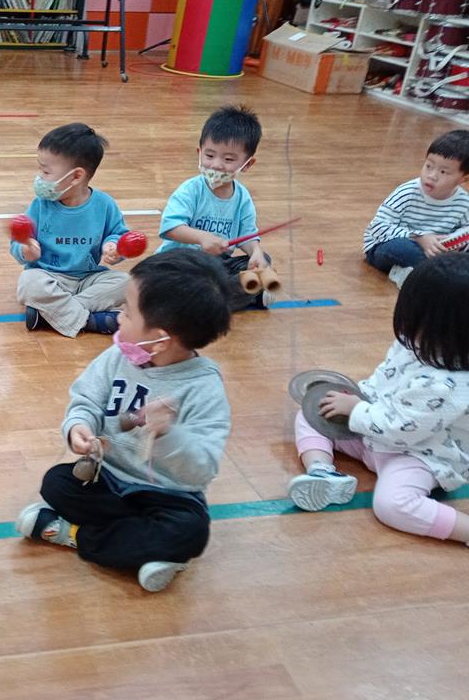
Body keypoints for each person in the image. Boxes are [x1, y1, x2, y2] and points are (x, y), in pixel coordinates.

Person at [16, 250, 233, 592]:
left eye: (127, 312)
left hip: (167, 496)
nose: (118, 317)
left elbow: (202, 469)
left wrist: (167, 434)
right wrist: (79, 427)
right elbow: (86, 400)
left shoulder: (203, 388)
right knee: (56, 483)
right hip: (108, 478)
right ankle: (140, 547)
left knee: (189, 532)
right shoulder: (117, 356)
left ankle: (75, 535)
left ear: (159, 340)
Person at [288, 254, 469, 550]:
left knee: (391, 505)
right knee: (312, 412)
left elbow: (403, 428)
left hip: (419, 455)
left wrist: (356, 411)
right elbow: (384, 379)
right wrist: (354, 398)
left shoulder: (446, 385)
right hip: (374, 431)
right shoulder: (414, 343)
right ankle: (322, 471)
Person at [9, 123, 130, 337]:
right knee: (29, 284)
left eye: (46, 171)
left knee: (128, 284)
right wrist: (26, 250)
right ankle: (89, 321)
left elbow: (117, 235)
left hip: (88, 278)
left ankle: (50, 314)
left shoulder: (104, 204)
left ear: (76, 177)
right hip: (48, 276)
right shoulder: (40, 205)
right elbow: (20, 242)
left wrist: (114, 247)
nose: (40, 177)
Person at [157, 105, 273, 310]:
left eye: (228, 159)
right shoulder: (191, 190)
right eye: (209, 156)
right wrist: (202, 237)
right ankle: (236, 296)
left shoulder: (242, 198)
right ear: (199, 152)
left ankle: (210, 300)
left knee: (262, 260)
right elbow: (170, 227)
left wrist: (256, 252)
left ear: (247, 164)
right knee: (166, 280)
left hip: (216, 267)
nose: (217, 165)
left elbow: (247, 236)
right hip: (179, 263)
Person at [363, 129, 469, 288]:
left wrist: (452, 242)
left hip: (435, 252)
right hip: (388, 245)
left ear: (463, 179)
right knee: (404, 249)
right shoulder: (407, 192)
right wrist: (419, 238)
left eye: (443, 172)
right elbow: (377, 227)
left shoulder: (464, 202)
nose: (432, 175)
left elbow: (465, 230)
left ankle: (422, 273)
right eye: (428, 166)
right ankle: (429, 274)